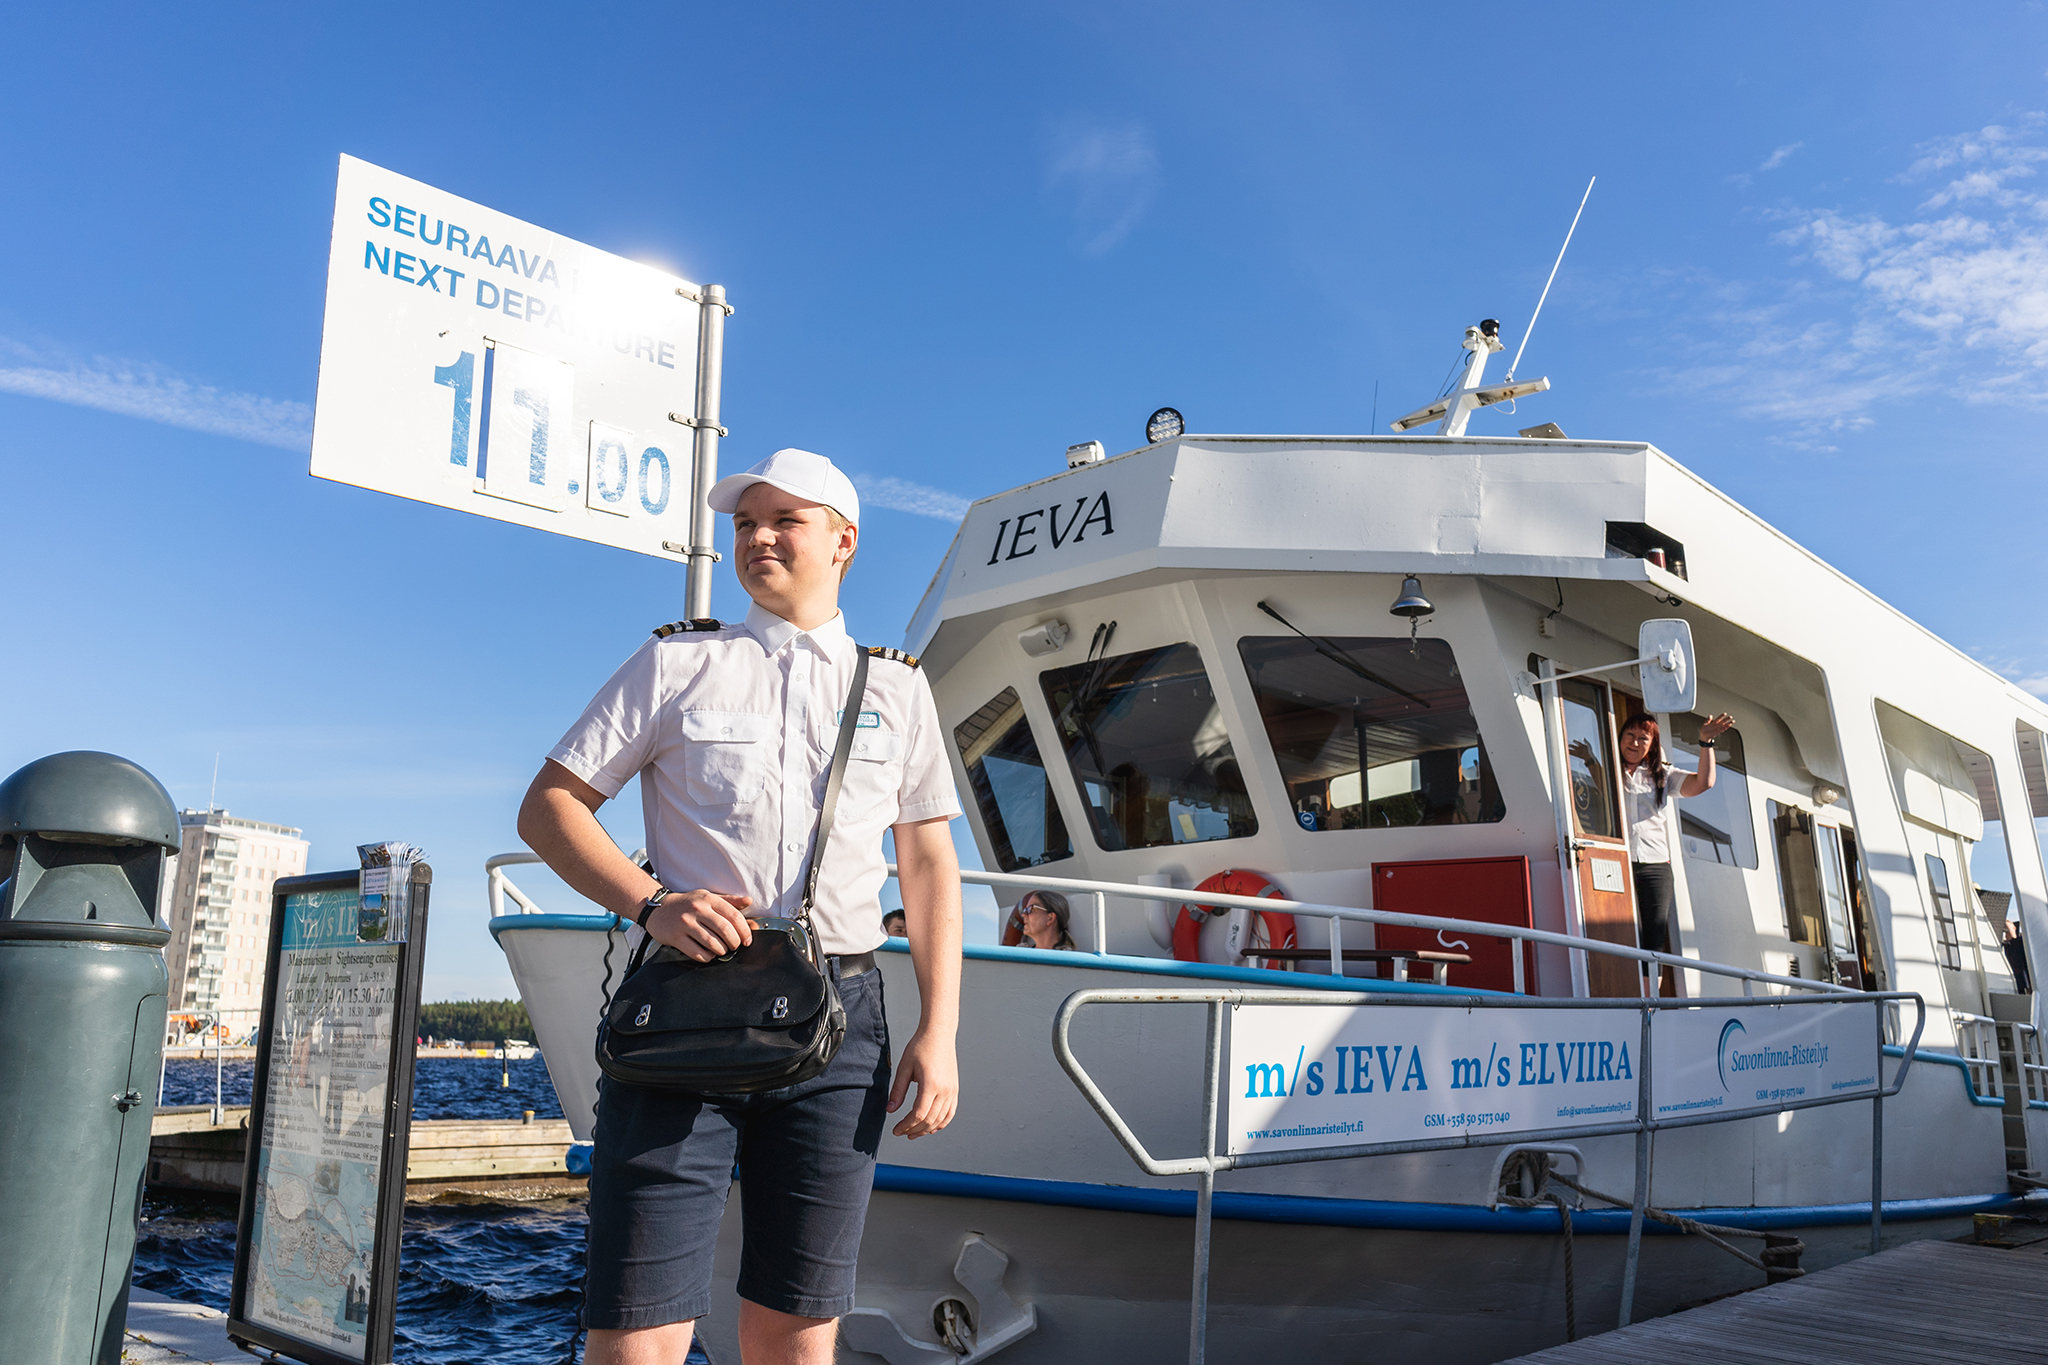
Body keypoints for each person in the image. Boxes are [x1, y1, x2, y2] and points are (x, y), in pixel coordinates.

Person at [516, 448, 965, 1365]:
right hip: (685, 1007)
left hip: (843, 1021)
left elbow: (926, 866)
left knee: (800, 1327)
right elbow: (548, 808)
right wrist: (652, 903)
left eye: (783, 520)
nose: (757, 537)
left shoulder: (898, 687)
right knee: (636, 1329)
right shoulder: (678, 663)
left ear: (843, 541)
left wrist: (940, 1029)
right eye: (745, 523)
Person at [1619, 711, 1733, 995]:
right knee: (1615, 933)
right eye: (1629, 735)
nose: (1634, 743)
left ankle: (1649, 1004)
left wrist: (1705, 742)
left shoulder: (1663, 774)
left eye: (1643, 739)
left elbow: (1703, 782)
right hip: (1617, 860)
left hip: (1654, 866)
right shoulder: (1605, 768)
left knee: (1653, 940)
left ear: (1652, 745)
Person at [1006, 889, 1079, 951]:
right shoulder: (1020, 952)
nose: (1024, 914)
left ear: (1050, 918)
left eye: (1030, 909)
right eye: (1025, 910)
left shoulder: (1068, 960)